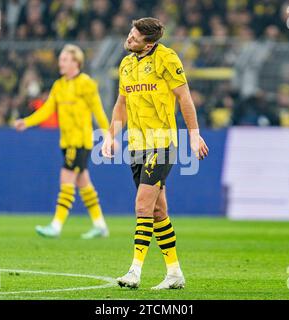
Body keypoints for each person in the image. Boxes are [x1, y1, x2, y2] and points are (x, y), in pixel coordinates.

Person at [101, 17, 209, 289]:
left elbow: (184, 98)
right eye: (129, 33)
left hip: (162, 142)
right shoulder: (126, 64)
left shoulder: (167, 59)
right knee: (159, 210)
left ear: (149, 44)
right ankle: (174, 273)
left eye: (134, 38)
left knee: (142, 205)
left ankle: (134, 271)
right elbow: (121, 103)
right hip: (136, 145)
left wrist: (194, 136)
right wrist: (111, 136)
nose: (129, 39)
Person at [14, 44, 110, 240]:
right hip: (66, 141)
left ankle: (56, 226)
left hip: (80, 141)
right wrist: (27, 121)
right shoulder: (59, 85)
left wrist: (109, 135)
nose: (61, 63)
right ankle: (100, 225)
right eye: (60, 59)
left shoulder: (86, 84)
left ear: (76, 62)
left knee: (66, 178)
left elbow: (98, 111)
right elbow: (48, 109)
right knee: (83, 182)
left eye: (65, 59)